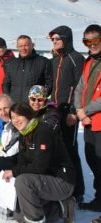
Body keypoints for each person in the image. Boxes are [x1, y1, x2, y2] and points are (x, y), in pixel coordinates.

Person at [3, 102, 75, 223]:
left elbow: (40, 167)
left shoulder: (42, 131)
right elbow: (22, 163)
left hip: (62, 181)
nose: (15, 120)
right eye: (13, 117)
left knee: (23, 181)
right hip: (45, 180)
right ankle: (60, 207)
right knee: (19, 215)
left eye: (19, 116)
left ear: (28, 115)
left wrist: (14, 172)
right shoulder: (23, 135)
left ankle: (36, 220)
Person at [49, 25, 86, 202]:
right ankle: (63, 185)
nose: (54, 42)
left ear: (66, 39)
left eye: (57, 39)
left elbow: (80, 87)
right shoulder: (56, 59)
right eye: (53, 40)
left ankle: (77, 191)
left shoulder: (76, 58)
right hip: (56, 110)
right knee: (59, 150)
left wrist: (74, 112)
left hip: (69, 113)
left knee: (71, 151)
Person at [75, 24, 101, 212]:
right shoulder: (89, 62)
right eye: (87, 41)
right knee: (92, 160)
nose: (91, 45)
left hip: (98, 120)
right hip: (88, 120)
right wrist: (79, 110)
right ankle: (99, 199)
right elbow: (79, 89)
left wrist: (85, 111)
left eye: (95, 40)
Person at [2, 35, 52, 103]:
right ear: (17, 47)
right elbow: (6, 84)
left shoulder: (43, 62)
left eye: (26, 45)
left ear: (32, 45)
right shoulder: (12, 64)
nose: (23, 48)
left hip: (34, 106)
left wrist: (39, 98)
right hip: (15, 106)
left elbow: (50, 83)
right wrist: (8, 99)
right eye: (20, 46)